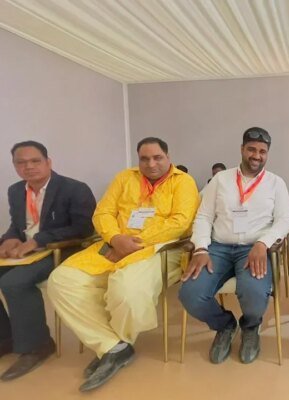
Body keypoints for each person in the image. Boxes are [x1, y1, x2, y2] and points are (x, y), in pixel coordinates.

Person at [47, 137, 199, 392]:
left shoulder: (183, 182)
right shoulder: (124, 178)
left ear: (168, 157)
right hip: (112, 245)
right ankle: (113, 346)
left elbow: (180, 222)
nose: (151, 164)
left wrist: (132, 244)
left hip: (159, 249)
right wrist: (116, 239)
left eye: (157, 157)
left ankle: (114, 345)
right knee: (61, 281)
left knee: (127, 290)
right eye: (144, 159)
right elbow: (103, 213)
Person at [179, 127, 289, 365]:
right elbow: (204, 216)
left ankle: (250, 327)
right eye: (251, 149)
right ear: (242, 149)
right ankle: (225, 325)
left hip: (253, 250)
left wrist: (263, 243)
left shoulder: (276, 183)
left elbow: (284, 221)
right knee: (190, 294)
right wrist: (201, 248)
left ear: (267, 154)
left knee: (254, 295)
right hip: (218, 248)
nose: (256, 155)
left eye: (262, 151)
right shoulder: (220, 180)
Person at [0, 140, 95, 381]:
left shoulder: (74, 188)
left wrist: (39, 240)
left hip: (61, 250)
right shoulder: (15, 190)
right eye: (21, 163)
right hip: (27, 250)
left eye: (35, 161)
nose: (28, 167)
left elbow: (84, 228)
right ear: (15, 166)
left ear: (48, 162)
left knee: (14, 282)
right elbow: (18, 226)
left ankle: (38, 346)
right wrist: (10, 239)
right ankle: (6, 338)